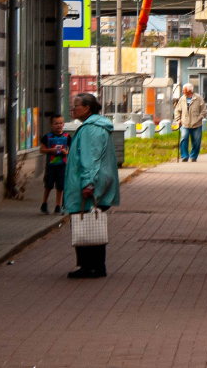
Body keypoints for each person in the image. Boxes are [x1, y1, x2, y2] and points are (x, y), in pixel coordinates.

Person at [63, 92, 119, 279]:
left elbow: (90, 159)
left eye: (76, 105)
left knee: (86, 224)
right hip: (96, 184)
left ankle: (90, 267)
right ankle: (93, 266)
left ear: (87, 108)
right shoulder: (94, 126)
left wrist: (88, 184)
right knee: (91, 224)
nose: (73, 108)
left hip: (89, 187)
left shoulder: (90, 129)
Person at [40, 114, 69, 214]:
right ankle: (44, 203)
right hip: (51, 165)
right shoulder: (48, 137)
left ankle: (58, 205)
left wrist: (66, 152)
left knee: (60, 186)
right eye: (56, 123)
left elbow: (72, 149)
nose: (59, 125)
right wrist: (49, 150)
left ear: (63, 124)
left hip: (62, 165)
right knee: (48, 184)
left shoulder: (67, 136)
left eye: (60, 123)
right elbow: (41, 149)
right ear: (51, 125)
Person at [173, 83, 206, 162]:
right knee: (184, 138)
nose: (182, 91)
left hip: (197, 124)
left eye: (184, 90)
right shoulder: (182, 99)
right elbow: (177, 110)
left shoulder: (198, 98)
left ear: (189, 91)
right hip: (185, 123)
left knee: (196, 141)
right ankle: (184, 156)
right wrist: (178, 120)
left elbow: (204, 110)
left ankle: (193, 156)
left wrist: (199, 117)